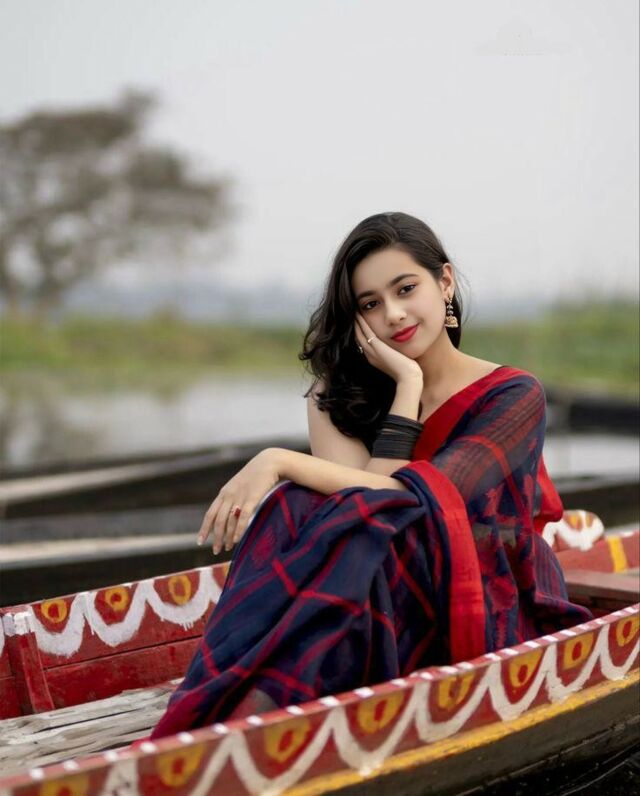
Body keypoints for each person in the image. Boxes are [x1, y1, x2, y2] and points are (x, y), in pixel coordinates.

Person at [150, 212, 592, 739]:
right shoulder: (339, 394)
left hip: (485, 590)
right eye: (370, 304)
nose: (393, 314)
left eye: (406, 289)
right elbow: (353, 517)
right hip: (379, 582)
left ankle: (257, 708)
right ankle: (251, 707)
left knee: (309, 499)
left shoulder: (514, 396)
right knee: (304, 507)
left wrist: (278, 460)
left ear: (444, 282)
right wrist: (407, 390)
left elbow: (412, 499)